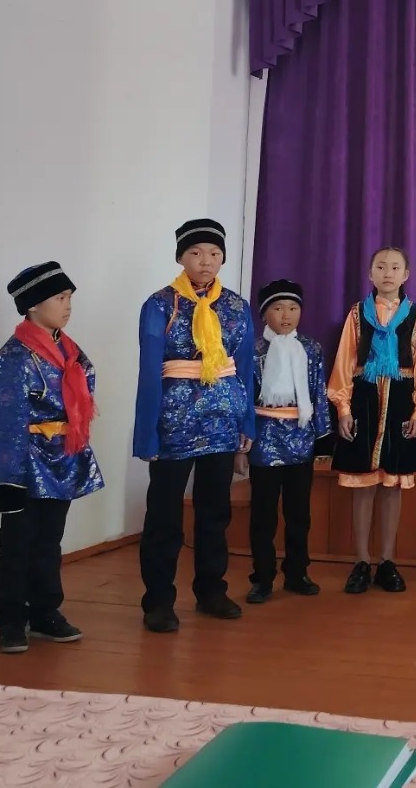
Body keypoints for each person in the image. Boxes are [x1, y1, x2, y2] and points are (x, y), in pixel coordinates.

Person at [133, 219, 256, 633]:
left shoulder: (236, 306)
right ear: (181, 258)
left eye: (215, 254)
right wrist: (146, 433)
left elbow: (245, 368)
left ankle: (211, 591)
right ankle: (158, 601)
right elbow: (149, 371)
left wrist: (246, 421)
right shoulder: (159, 305)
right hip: (174, 423)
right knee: (164, 515)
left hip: (223, 421)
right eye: (197, 253)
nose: (206, 261)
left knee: (214, 512)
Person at [0, 262, 105, 653]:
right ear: (33, 306)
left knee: (49, 539)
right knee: (18, 540)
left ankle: (44, 612)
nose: (67, 305)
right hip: (26, 462)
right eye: (59, 297)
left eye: (69, 297)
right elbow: (8, 422)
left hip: (62, 458)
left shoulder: (70, 351)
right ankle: (11, 619)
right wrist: (8, 479)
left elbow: (83, 393)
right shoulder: (14, 357)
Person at [328, 247, 416, 595]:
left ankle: (387, 560)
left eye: (394, 267)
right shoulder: (357, 315)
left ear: (406, 275)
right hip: (364, 402)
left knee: (392, 486)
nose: (387, 273)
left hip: (401, 405)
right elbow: (344, 362)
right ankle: (361, 560)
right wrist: (343, 408)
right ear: (370, 273)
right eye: (380, 266)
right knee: (363, 485)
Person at [243, 279, 330, 605]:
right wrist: (243, 438)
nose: (286, 315)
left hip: (300, 439)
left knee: (299, 513)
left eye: (293, 308)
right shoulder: (252, 350)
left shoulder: (311, 349)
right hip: (265, 439)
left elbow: (319, 393)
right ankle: (262, 577)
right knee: (263, 514)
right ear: (264, 313)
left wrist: (322, 439)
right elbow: (244, 397)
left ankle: (297, 572)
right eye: (278, 308)